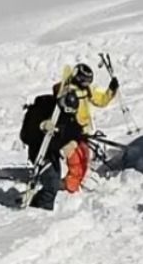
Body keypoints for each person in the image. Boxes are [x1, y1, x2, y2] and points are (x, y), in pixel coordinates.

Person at [52, 62, 119, 193]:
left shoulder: (87, 90)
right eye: (85, 81)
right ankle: (69, 186)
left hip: (82, 130)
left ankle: (75, 182)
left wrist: (111, 90)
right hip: (68, 132)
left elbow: (100, 100)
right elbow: (57, 94)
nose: (86, 84)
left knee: (84, 156)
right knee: (75, 158)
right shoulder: (67, 90)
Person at [20, 90, 84, 210]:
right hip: (39, 151)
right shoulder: (42, 108)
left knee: (53, 183)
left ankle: (38, 205)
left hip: (53, 152)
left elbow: (76, 129)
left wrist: (73, 142)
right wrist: (41, 126)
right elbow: (25, 135)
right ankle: (41, 210)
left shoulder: (67, 115)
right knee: (52, 183)